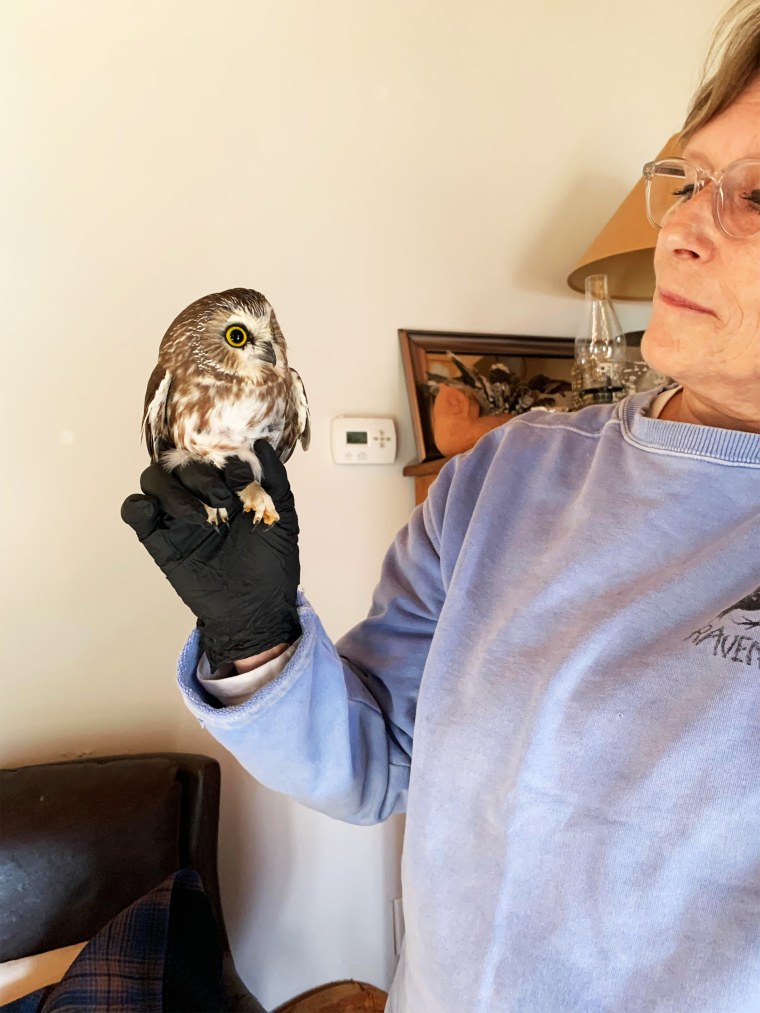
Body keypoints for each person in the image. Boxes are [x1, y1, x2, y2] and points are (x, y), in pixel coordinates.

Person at [121, 2, 760, 1009]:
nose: (681, 226)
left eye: (756, 195)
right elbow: (376, 761)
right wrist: (254, 639)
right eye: (684, 179)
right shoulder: (504, 476)